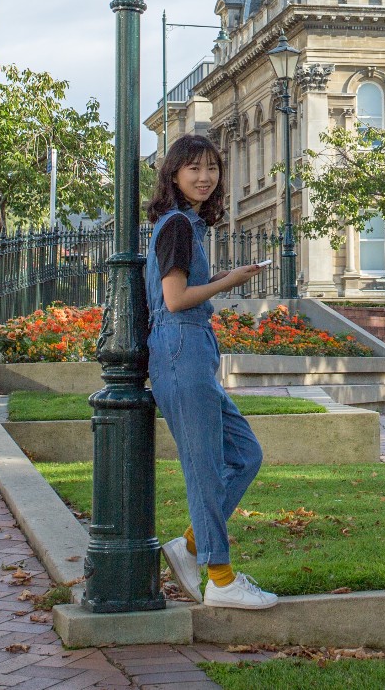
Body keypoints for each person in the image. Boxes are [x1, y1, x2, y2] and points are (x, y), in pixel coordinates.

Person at [146, 134, 278, 610]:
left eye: (212, 169)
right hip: (181, 347)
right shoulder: (178, 226)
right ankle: (220, 580)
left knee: (245, 455)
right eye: (194, 169)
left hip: (192, 349)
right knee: (203, 468)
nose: (205, 178)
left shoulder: (184, 226)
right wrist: (226, 283)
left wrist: (227, 279)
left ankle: (189, 545)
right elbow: (175, 300)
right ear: (174, 176)